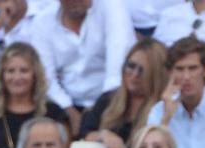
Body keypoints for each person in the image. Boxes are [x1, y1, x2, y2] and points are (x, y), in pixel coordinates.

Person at [29, 0, 134, 132]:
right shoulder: (42, 22)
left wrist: (98, 110)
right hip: (66, 104)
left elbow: (117, 69)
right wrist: (69, 111)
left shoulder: (112, 7)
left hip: (111, 99)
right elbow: (45, 78)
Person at [78, 37, 167, 148]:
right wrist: (103, 135)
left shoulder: (161, 109)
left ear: (155, 75)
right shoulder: (108, 99)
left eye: (142, 70)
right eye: (131, 66)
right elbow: (84, 132)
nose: (134, 75)